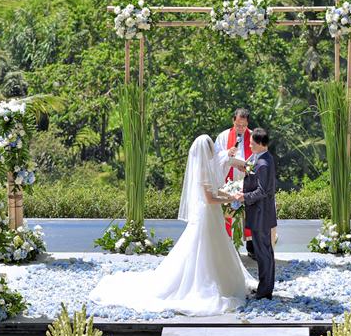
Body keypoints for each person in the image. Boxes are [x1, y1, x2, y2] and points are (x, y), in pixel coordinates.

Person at [89, 135, 256, 315]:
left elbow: (216, 190)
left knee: (213, 247)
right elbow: (209, 198)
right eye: (211, 148)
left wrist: (230, 194)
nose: (214, 151)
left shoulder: (206, 167)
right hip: (207, 214)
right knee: (203, 248)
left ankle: (222, 281)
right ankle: (207, 283)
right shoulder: (202, 170)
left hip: (211, 214)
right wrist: (230, 198)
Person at [232, 128, 277, 299]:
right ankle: (265, 288)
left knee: (263, 253)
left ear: (259, 144)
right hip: (261, 214)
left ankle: (265, 291)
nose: (249, 145)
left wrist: (243, 197)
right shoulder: (263, 158)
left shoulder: (264, 163)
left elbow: (262, 191)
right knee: (264, 252)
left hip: (261, 215)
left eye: (251, 143)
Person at [215, 108, 253, 252]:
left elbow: (258, 155)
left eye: (243, 126)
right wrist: (227, 154)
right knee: (228, 211)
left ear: (247, 123)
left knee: (250, 213)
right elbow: (215, 156)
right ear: (233, 121)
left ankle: (251, 246)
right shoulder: (224, 136)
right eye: (238, 125)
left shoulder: (253, 136)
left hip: (247, 181)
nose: (241, 129)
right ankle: (228, 248)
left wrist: (248, 167)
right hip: (229, 182)